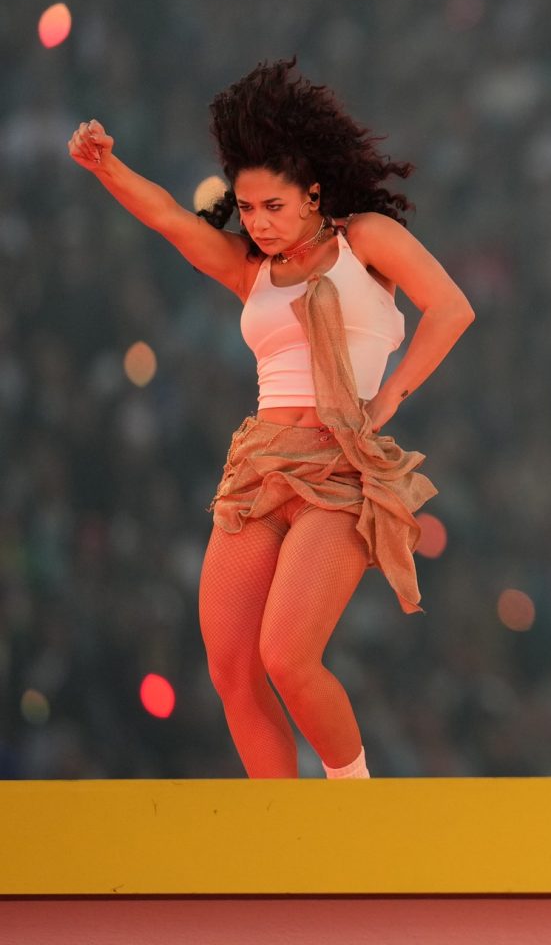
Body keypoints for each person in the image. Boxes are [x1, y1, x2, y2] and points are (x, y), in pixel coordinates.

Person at [67, 58, 472, 779]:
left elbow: (451, 309)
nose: (258, 223)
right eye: (248, 209)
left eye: (273, 208)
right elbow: (166, 216)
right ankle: (281, 837)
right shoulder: (250, 269)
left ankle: (353, 804)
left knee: (286, 655)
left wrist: (387, 402)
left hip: (339, 467)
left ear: (313, 194)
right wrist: (108, 168)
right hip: (258, 467)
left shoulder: (364, 243)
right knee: (230, 668)